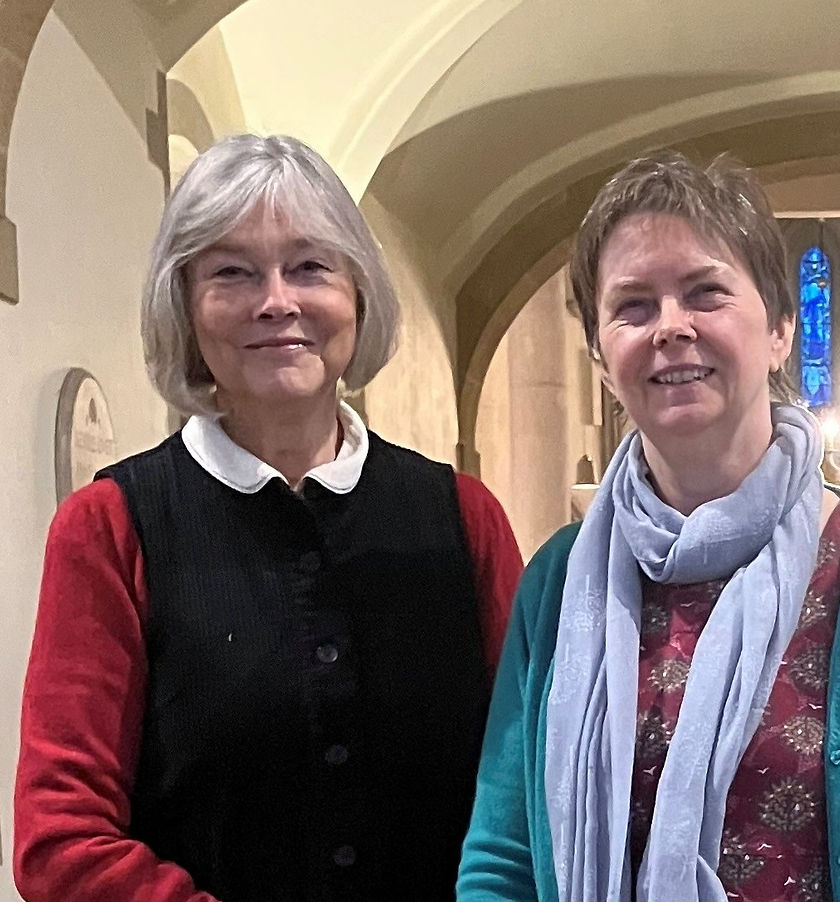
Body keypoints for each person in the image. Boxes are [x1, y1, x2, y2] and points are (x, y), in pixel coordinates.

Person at [14, 134, 523, 902]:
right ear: (185, 307)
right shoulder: (110, 529)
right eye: (232, 272)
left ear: (357, 294)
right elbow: (60, 836)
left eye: (310, 266)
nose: (276, 300)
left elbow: (528, 784)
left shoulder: (463, 518)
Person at [457, 150, 840, 901]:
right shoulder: (558, 579)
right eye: (633, 306)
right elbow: (502, 856)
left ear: (780, 330)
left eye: (705, 293)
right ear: (603, 359)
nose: (671, 327)